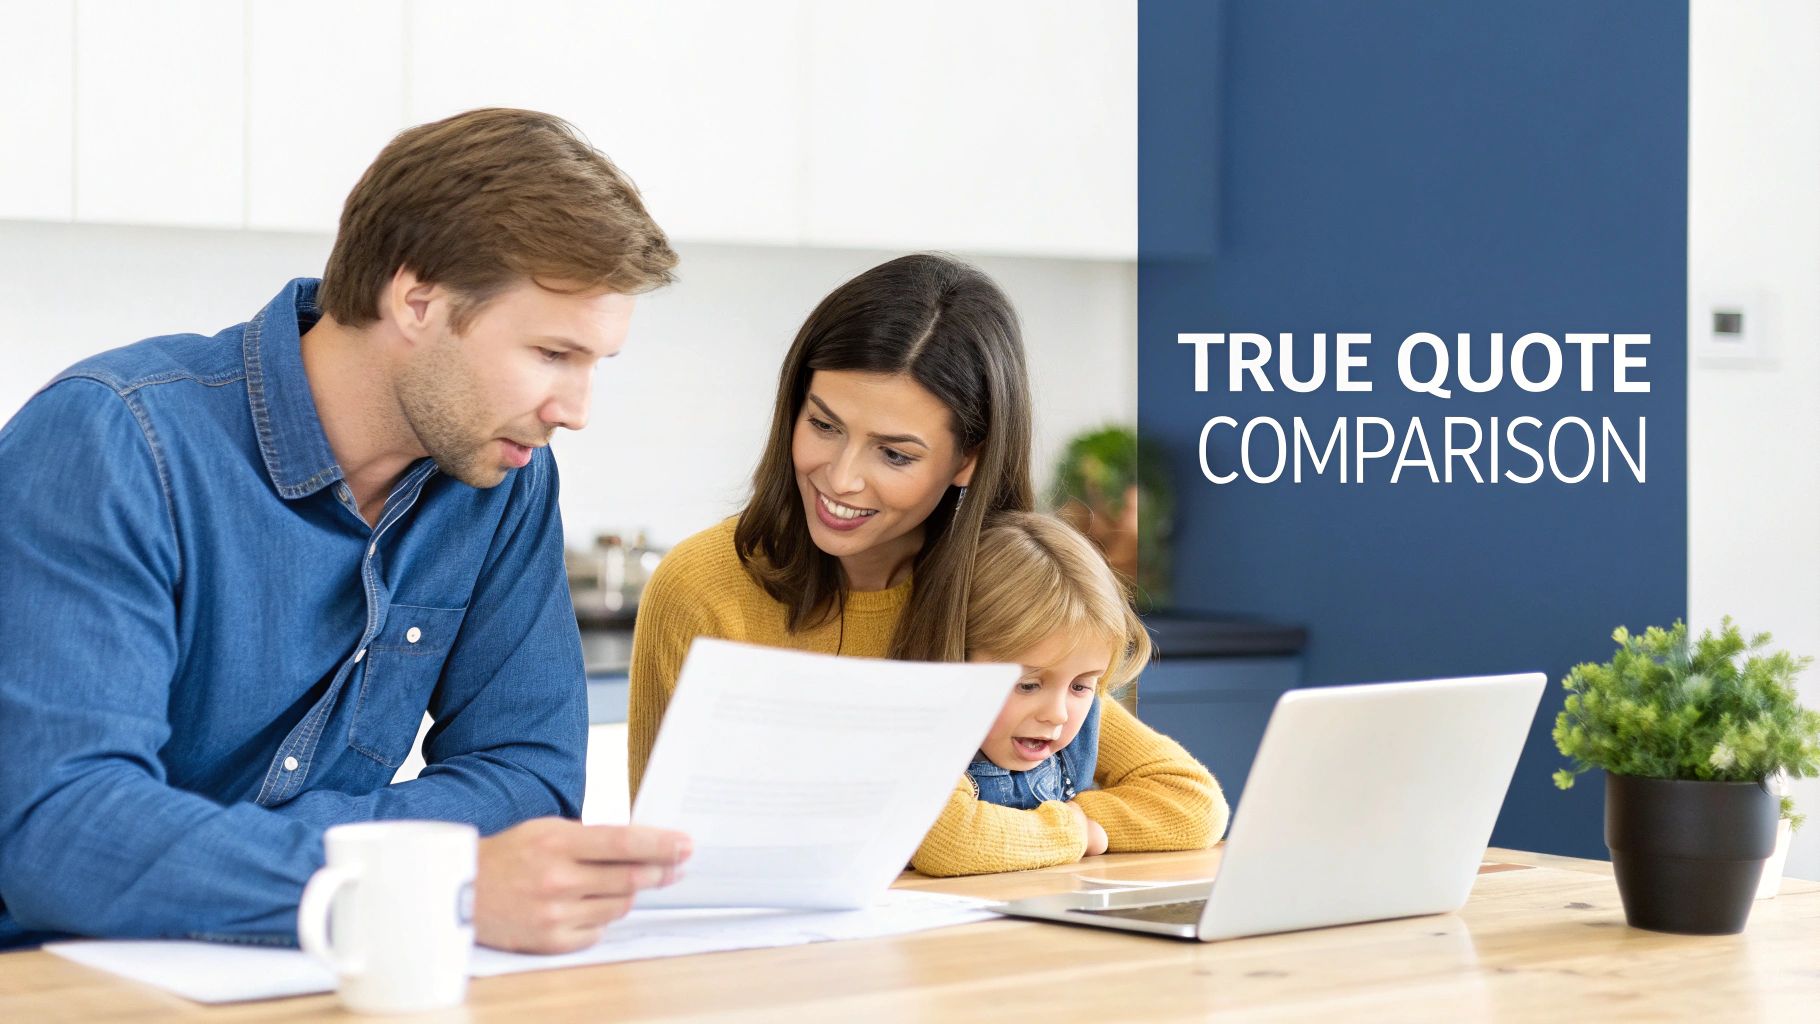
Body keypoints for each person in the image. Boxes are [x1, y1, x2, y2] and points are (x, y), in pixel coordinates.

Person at [0, 108, 690, 954]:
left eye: (594, 365)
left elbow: (531, 784)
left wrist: (209, 853)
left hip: (316, 971)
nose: (575, 411)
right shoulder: (115, 441)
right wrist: (425, 878)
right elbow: (63, 832)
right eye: (552, 354)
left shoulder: (502, 477)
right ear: (417, 299)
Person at [627, 254, 1223, 875]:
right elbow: (664, 851)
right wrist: (1069, 831)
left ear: (969, 458)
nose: (841, 477)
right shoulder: (703, 587)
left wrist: (1066, 830)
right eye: (824, 424)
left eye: (894, 454)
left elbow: (1186, 801)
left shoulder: (1000, 595)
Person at [951, 511, 1226, 874]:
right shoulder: (936, 727)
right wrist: (1079, 834)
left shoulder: (1083, 715)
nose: (1058, 714)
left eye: (1081, 685)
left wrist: (1077, 817)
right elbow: (953, 841)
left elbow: (1198, 805)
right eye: (1029, 685)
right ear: (959, 660)